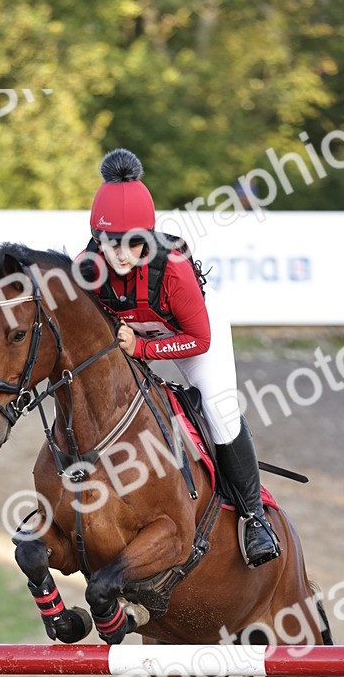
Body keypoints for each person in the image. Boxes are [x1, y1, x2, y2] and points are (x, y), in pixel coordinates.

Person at [81, 147, 280, 567]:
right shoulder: (86, 268)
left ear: (148, 238)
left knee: (220, 409)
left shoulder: (171, 268)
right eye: (109, 243)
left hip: (187, 336)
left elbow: (200, 339)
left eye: (132, 244)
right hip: (133, 340)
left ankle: (253, 518)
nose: (119, 254)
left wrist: (145, 348)